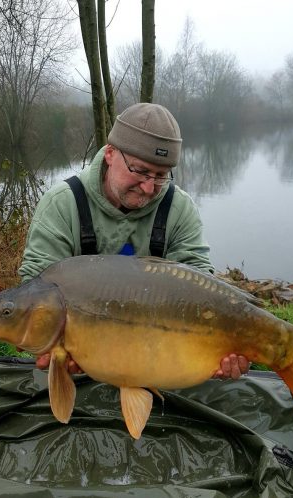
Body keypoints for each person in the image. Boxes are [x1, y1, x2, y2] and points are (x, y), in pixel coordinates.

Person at [19, 102, 250, 380]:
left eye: (161, 176)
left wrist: (222, 349)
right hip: (83, 357)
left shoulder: (178, 208)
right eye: (140, 171)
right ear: (110, 153)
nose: (150, 187)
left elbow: (199, 288)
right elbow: (34, 295)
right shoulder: (63, 203)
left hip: (156, 354)